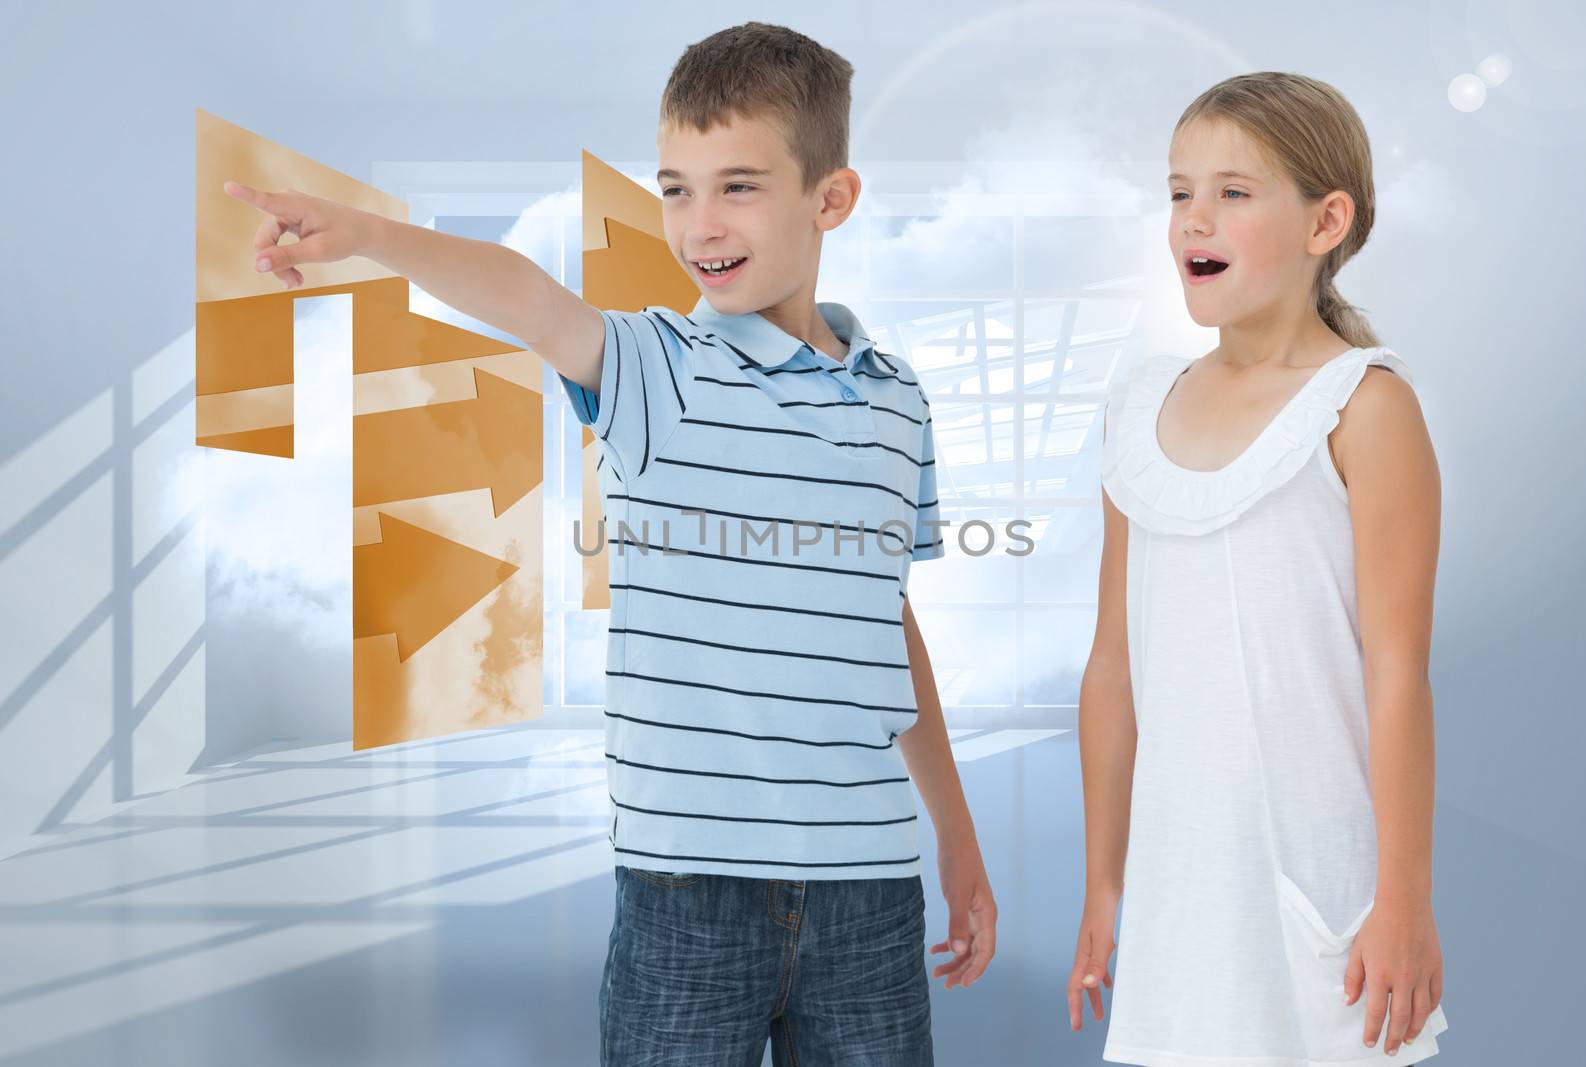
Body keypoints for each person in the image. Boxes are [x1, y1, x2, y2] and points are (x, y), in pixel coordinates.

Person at [226, 20, 995, 1066]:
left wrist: (955, 834)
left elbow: (885, 621)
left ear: (831, 199)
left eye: (738, 185)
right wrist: (369, 232)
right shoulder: (655, 370)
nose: (699, 222)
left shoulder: (898, 401)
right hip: (685, 892)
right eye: (674, 187)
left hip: (870, 886)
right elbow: (525, 295)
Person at [1069, 72, 1448, 1065]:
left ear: (1327, 220)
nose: (1193, 216)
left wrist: (1403, 898)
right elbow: (1111, 668)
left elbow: (1397, 671)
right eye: (1178, 191)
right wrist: (1103, 883)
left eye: (1232, 193)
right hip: (1172, 893)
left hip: (1316, 882)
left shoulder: (1364, 408)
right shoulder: (1135, 407)